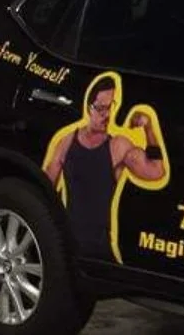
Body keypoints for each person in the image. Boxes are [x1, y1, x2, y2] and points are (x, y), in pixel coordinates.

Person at [43, 73, 167, 262]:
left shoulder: (118, 146)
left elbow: (156, 171)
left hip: (101, 251)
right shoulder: (66, 141)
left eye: (110, 108)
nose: (106, 114)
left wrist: (149, 128)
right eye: (100, 108)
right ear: (88, 108)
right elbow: (44, 190)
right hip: (68, 247)